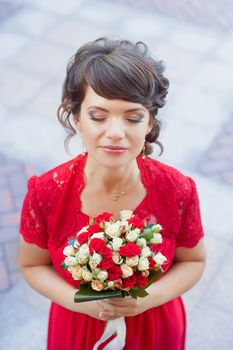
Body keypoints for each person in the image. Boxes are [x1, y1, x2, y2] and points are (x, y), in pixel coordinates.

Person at [19, 37, 206, 350]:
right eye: (98, 116)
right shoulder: (46, 191)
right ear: (77, 118)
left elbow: (194, 261)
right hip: (78, 324)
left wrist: (146, 301)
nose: (116, 132)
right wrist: (86, 304)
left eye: (132, 117)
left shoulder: (178, 189)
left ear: (149, 122)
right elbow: (32, 265)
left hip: (154, 322)